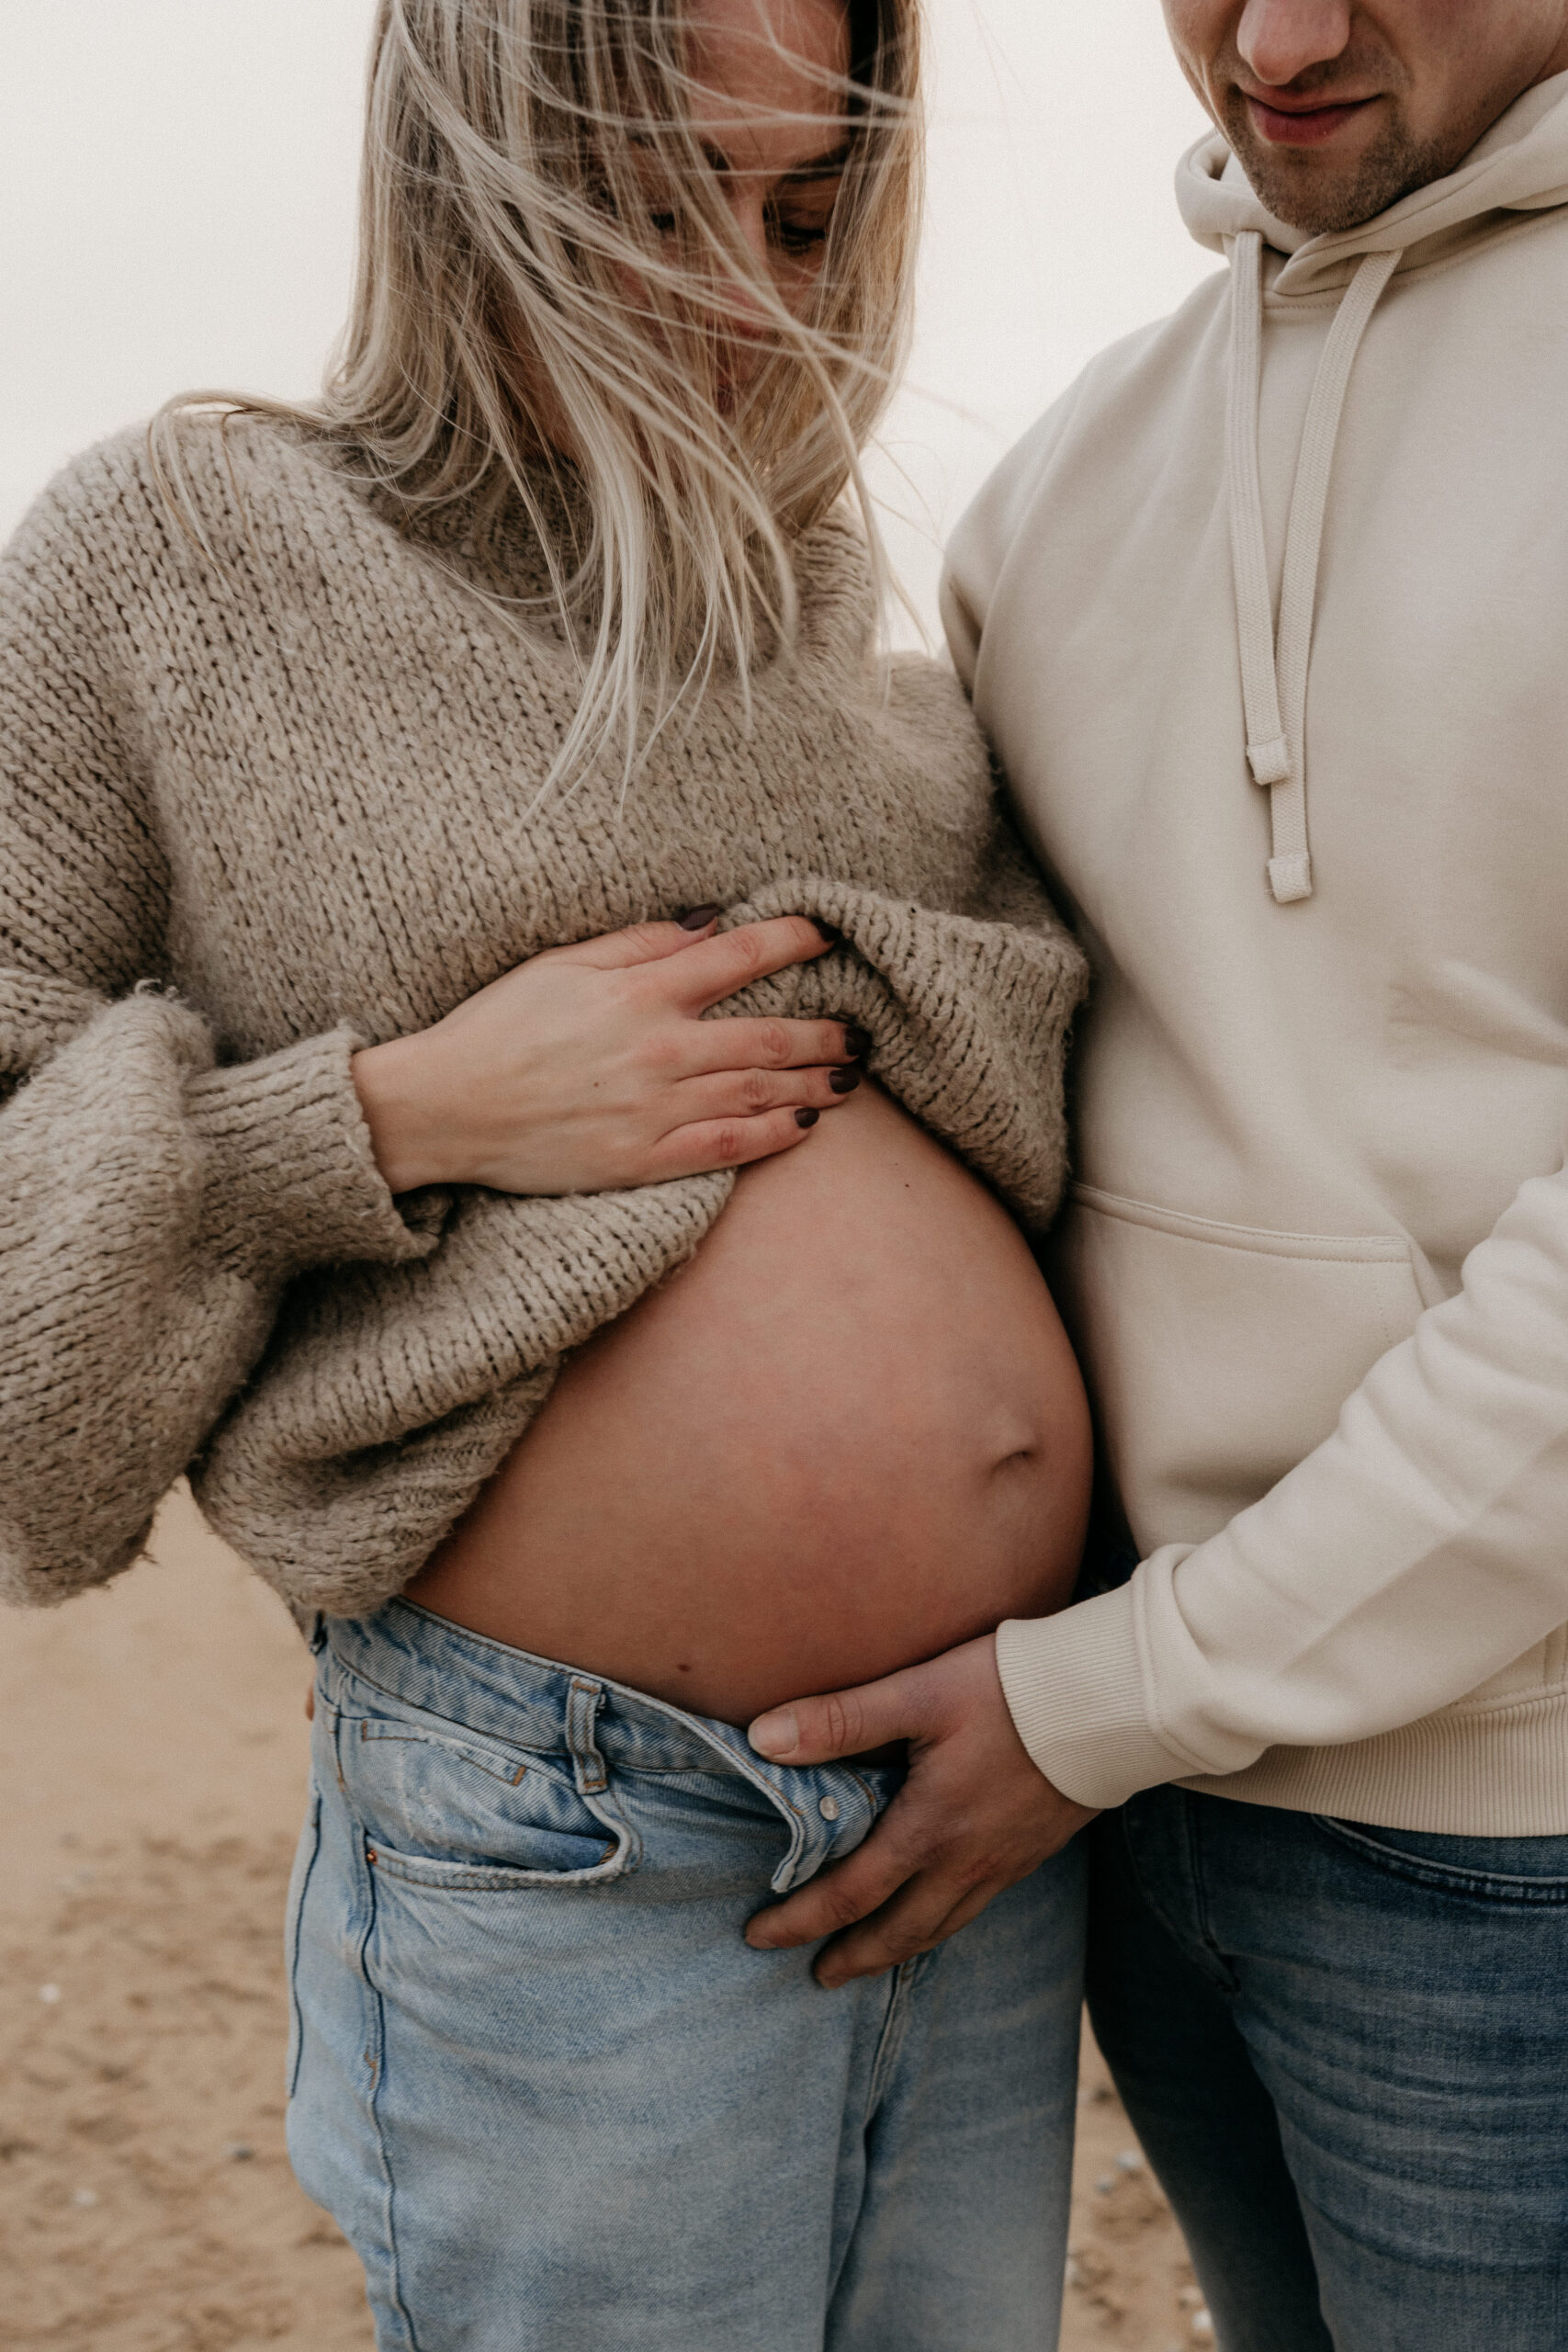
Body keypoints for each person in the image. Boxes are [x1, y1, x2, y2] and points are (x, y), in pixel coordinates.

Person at [0, 2, 1096, 2346]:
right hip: (572, 1835)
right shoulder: (182, 551)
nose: (751, 300)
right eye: (666, 206)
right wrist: (395, 1115)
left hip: (979, 1813)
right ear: (477, 171)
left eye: (808, 212)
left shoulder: (814, 600)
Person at [740, 2, 1568, 2344]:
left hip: (1511, 1856)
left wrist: (1106, 1694)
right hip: (1117, 1826)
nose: (1272, 40)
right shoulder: (1062, 475)